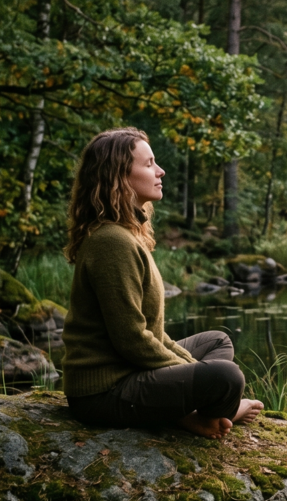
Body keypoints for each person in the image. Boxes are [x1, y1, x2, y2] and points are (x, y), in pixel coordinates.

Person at [60, 127, 262, 439]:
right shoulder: (112, 241)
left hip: (130, 370)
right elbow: (132, 341)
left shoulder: (127, 234)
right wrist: (193, 375)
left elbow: (151, 334)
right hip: (104, 392)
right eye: (149, 164)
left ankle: (185, 414)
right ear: (119, 177)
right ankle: (204, 415)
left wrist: (189, 369)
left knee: (217, 342)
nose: (160, 170)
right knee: (226, 377)